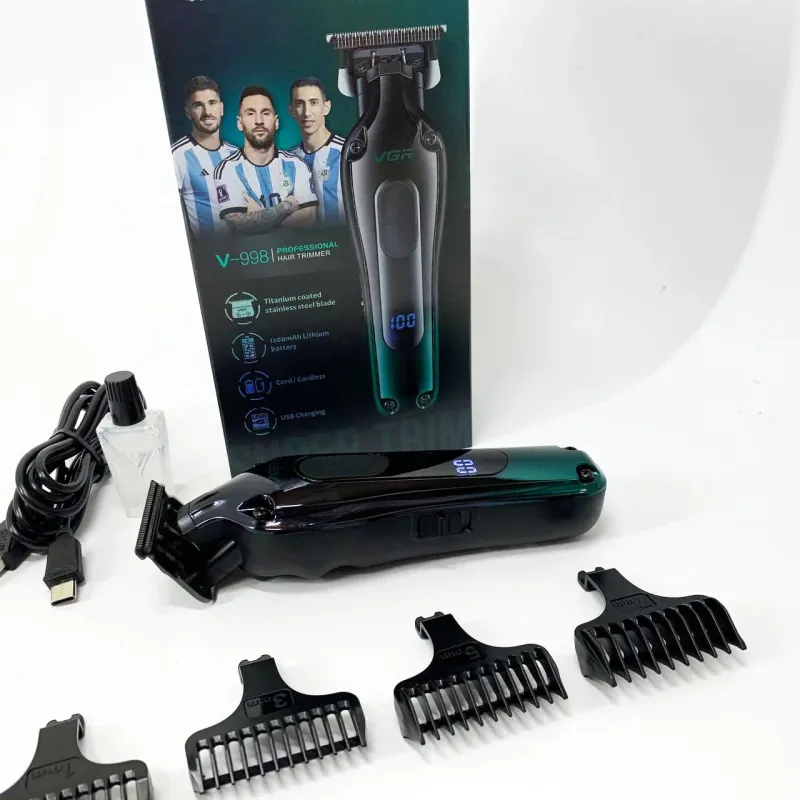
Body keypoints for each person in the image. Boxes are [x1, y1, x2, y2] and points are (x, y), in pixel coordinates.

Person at [214, 85, 317, 234]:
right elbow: (237, 225)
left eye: (265, 113)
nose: (259, 121)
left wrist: (257, 218)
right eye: (250, 113)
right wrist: (286, 205)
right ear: (239, 123)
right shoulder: (226, 170)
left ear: (276, 122)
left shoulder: (297, 165)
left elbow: (309, 218)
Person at [171, 76, 238, 237]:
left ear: (221, 108)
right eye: (198, 105)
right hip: (209, 250)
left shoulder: (236, 154)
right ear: (188, 112)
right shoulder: (176, 156)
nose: (207, 112)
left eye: (212, 103)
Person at [286, 78, 346, 227]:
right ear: (291, 110)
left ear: (326, 107)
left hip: (341, 239)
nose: (307, 112)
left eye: (313, 103)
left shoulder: (347, 154)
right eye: (299, 104)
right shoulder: (288, 160)